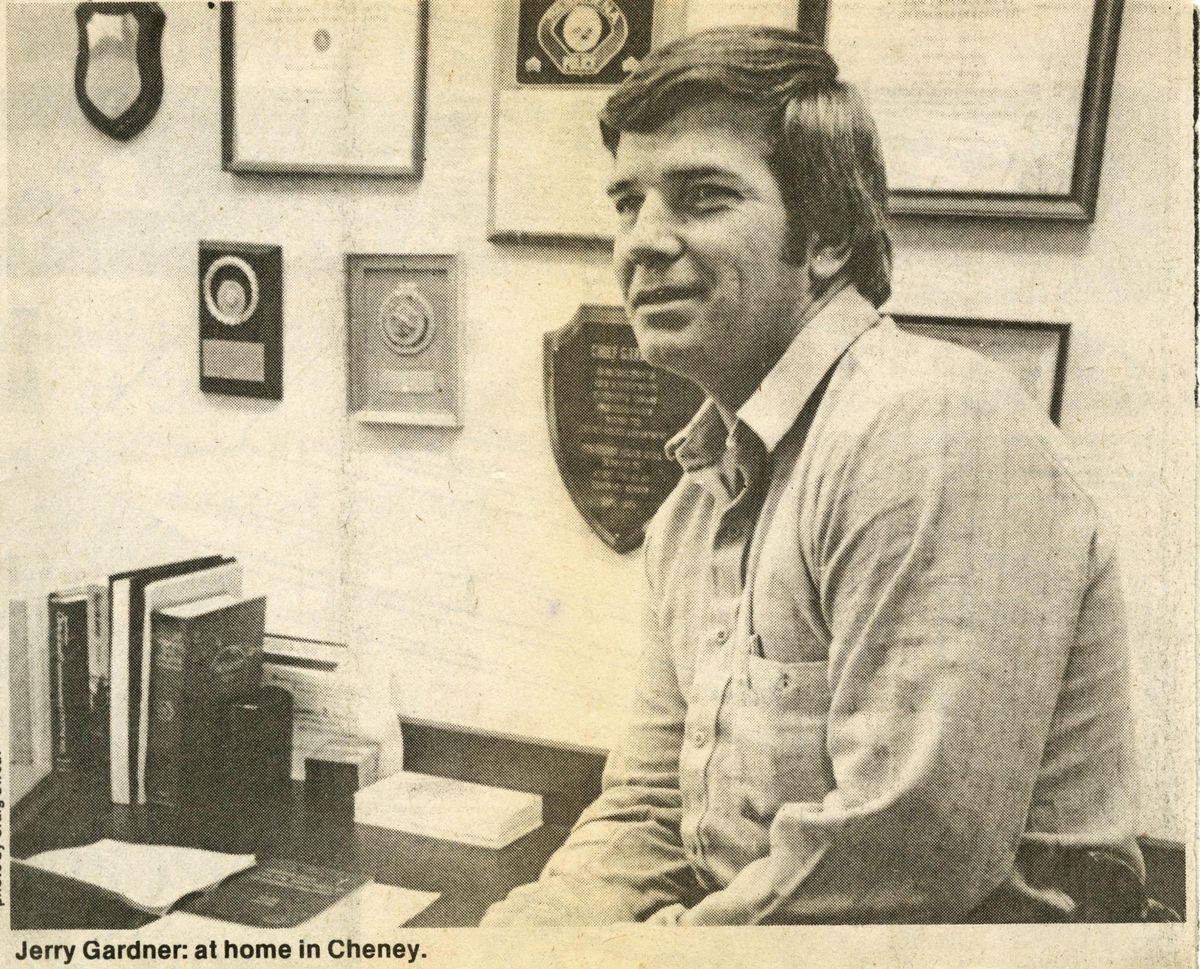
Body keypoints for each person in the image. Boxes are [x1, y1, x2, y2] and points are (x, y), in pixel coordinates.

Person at [483, 27, 1144, 925]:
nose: (642, 241)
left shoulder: (927, 429)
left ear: (827, 236)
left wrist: (636, 953)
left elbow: (908, 853)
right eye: (627, 202)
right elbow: (648, 807)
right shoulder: (694, 500)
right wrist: (534, 932)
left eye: (701, 197)